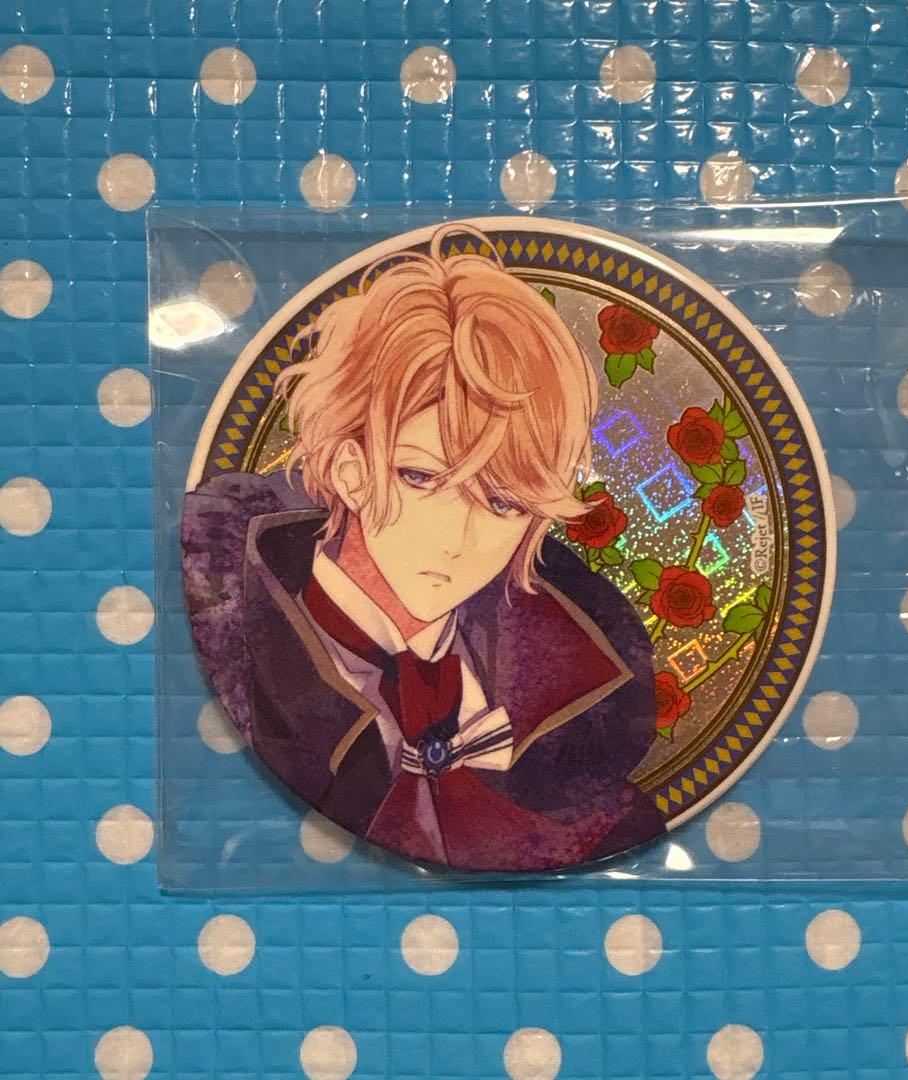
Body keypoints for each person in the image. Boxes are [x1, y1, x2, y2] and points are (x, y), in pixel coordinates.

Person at [182, 223, 663, 873]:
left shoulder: (574, 708)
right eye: (420, 477)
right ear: (351, 470)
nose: (456, 539)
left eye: (503, 504)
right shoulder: (226, 652)